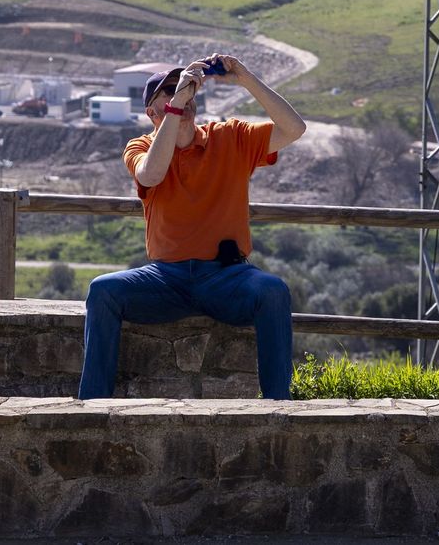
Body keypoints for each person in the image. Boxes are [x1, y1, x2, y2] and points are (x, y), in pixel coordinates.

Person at [77, 53, 306, 400]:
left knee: (273, 291)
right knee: (103, 290)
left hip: (226, 277)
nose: (180, 93)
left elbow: (294, 129)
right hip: (165, 278)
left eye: (184, 88)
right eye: (168, 91)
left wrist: (244, 77)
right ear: (152, 113)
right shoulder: (139, 147)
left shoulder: (230, 137)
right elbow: (151, 175)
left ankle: (278, 407)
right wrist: (176, 107)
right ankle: (94, 405)